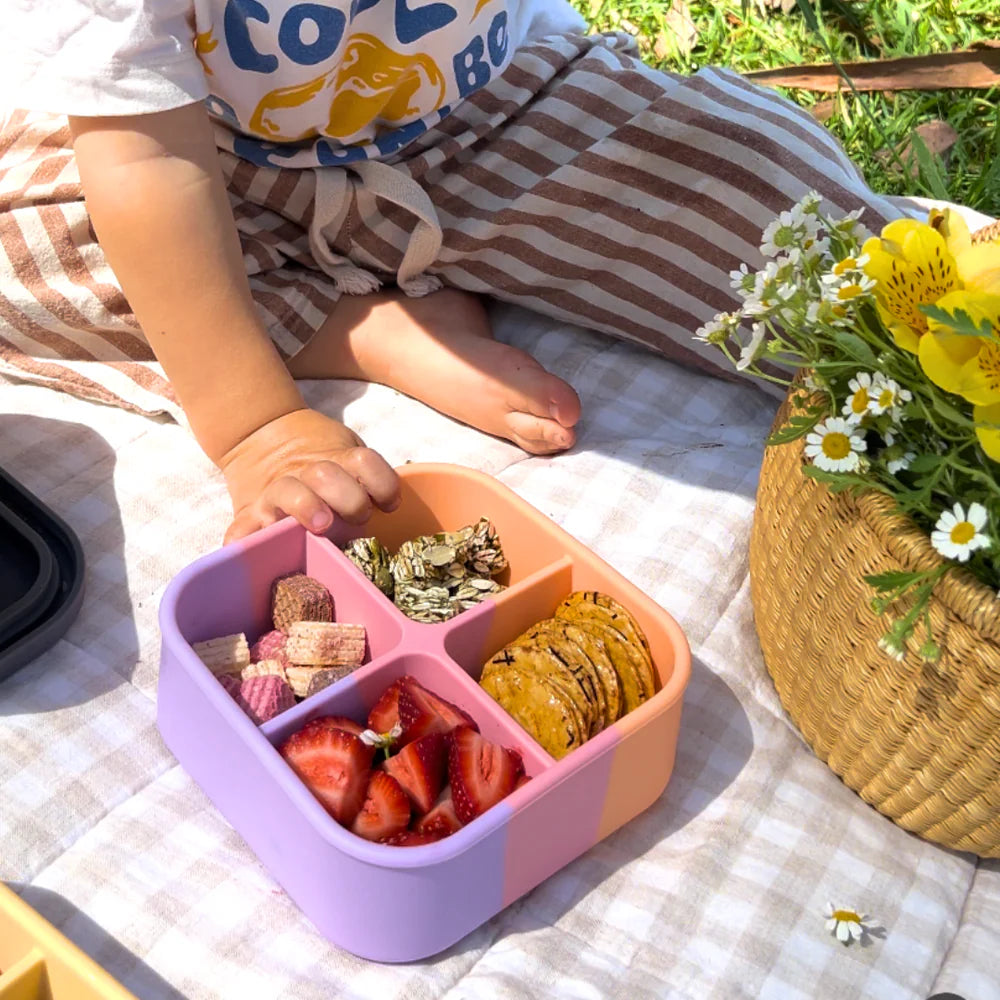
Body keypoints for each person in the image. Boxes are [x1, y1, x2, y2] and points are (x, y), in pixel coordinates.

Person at [0, 0, 908, 542]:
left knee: (811, 238)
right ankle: (366, 331)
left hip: (502, 107)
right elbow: (144, 162)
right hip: (221, 159)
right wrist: (258, 430)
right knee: (25, 252)